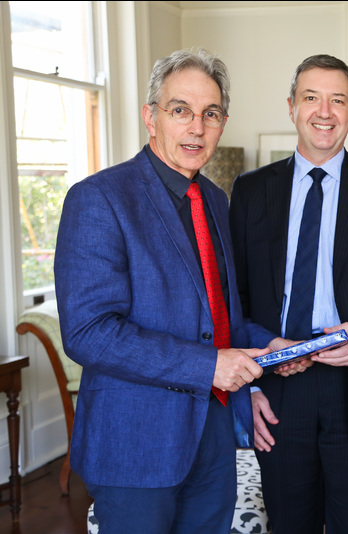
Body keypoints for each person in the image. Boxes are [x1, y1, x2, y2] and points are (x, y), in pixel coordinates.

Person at [53, 48, 267, 534]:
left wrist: (268, 345)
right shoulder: (98, 198)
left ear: (222, 123)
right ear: (151, 117)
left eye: (210, 114)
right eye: (181, 110)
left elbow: (218, 317)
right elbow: (89, 332)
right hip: (135, 445)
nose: (197, 127)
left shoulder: (213, 199)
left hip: (212, 439)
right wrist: (210, 365)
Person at [228, 54, 348, 534]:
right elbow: (235, 297)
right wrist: (249, 387)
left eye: (338, 100)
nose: (325, 111)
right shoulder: (250, 190)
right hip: (277, 388)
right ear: (292, 106)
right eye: (312, 97)